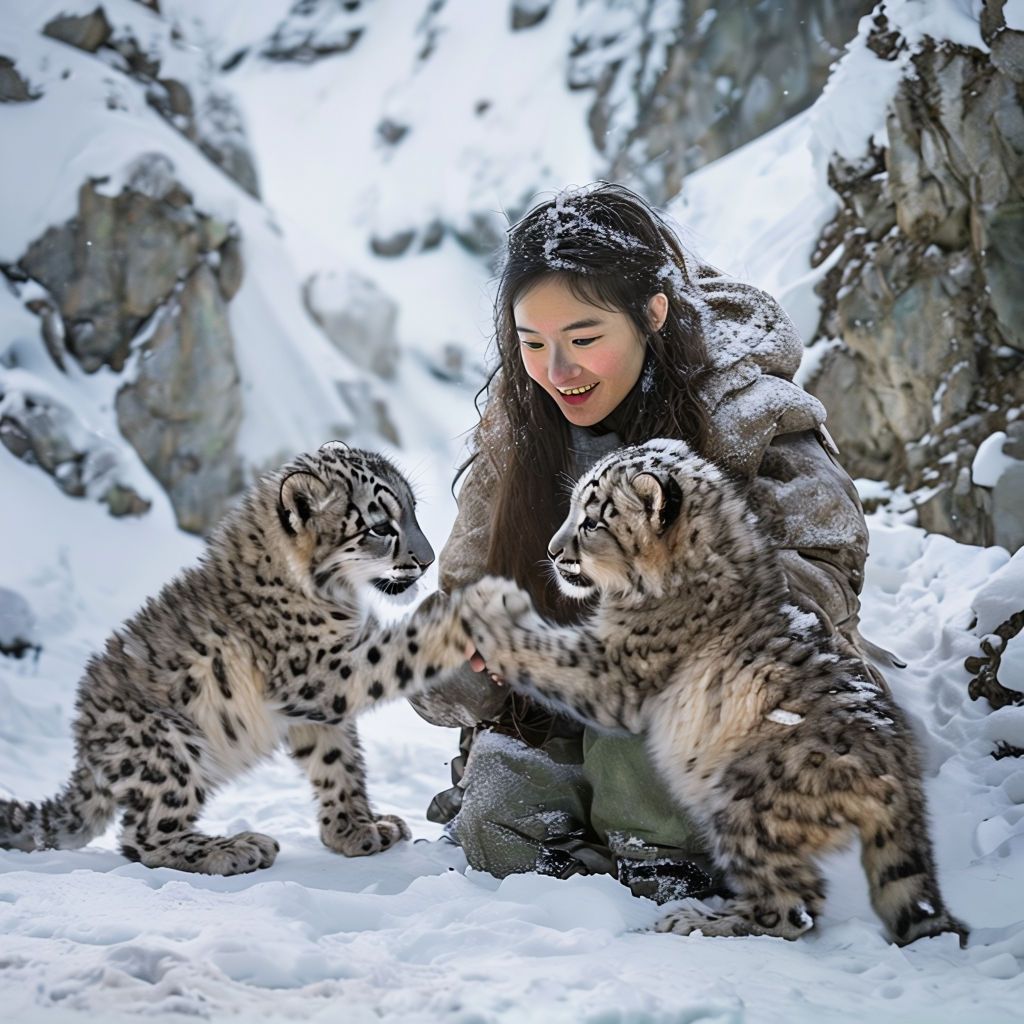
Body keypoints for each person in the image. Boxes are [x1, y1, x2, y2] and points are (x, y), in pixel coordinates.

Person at [411, 181, 884, 902]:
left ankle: (667, 862)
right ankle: (590, 876)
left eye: (585, 339)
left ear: (651, 314)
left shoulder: (745, 412)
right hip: (566, 702)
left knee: (634, 759)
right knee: (501, 802)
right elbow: (462, 603)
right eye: (533, 344)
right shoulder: (517, 439)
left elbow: (824, 569)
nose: (556, 372)